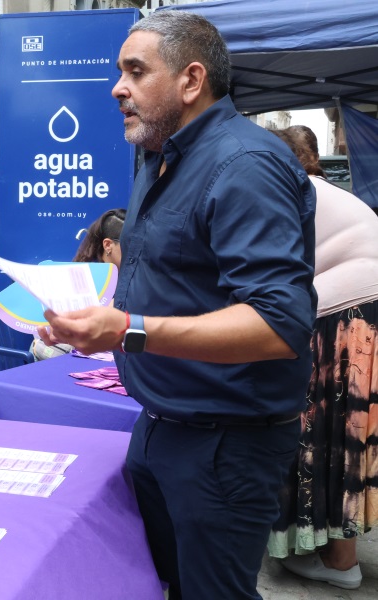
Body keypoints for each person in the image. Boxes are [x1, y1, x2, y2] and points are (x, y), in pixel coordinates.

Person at [39, 11, 316, 599]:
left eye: (136, 72)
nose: (118, 87)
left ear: (191, 81)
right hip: (159, 426)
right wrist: (93, 316)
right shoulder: (157, 156)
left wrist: (129, 331)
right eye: (120, 72)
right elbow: (172, 278)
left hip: (224, 445)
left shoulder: (246, 165)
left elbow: (278, 321)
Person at [267, 125, 378, 590]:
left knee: (326, 430)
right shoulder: (318, 190)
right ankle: (339, 553)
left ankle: (338, 559)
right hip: (364, 310)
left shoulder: (286, 189)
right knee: (352, 433)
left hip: (347, 311)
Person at [31, 208, 126, 361]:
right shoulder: (82, 276)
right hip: (60, 350)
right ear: (108, 245)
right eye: (130, 244)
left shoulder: (131, 274)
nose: (138, 251)